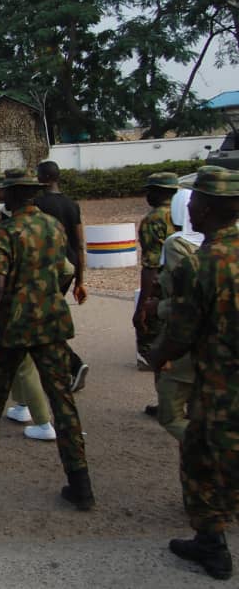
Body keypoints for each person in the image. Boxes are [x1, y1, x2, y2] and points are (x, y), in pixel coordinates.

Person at [0, 169, 94, 512]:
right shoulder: (53, 226)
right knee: (62, 401)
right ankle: (81, 483)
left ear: (13, 196)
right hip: (51, 322)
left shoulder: (6, 233)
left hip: (15, 323)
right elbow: (65, 268)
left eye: (4, 191)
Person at [149, 166, 239, 581]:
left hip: (221, 387)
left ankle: (212, 542)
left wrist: (157, 356)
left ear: (206, 208)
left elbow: (180, 336)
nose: (193, 208)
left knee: (205, 459)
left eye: (198, 201)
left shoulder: (202, 265)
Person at [143, 187, 201, 439]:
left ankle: (208, 450)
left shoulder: (177, 245)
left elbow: (188, 300)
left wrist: (157, 308)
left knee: (170, 413)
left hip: (186, 338)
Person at [34, 160, 90, 392]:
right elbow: (79, 244)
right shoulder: (71, 205)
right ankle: (63, 366)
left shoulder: (37, 205)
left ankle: (72, 364)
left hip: (47, 269)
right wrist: (80, 280)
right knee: (48, 319)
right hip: (69, 268)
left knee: (41, 322)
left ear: (43, 178)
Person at [133, 172, 178, 371]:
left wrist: (141, 307)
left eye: (150, 191)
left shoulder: (152, 220)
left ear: (158, 192)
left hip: (160, 291)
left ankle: (166, 398)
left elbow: (151, 267)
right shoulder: (185, 215)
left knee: (155, 348)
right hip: (184, 287)